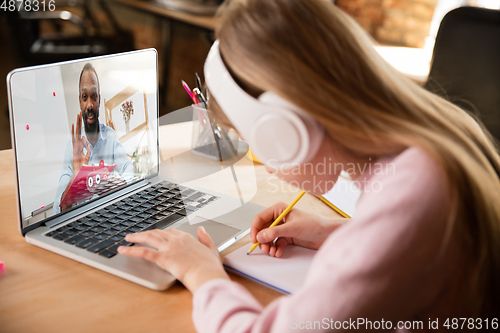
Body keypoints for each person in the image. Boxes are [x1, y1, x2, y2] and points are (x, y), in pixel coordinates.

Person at [118, 0, 500, 329]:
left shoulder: (413, 197)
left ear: (288, 126)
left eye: (256, 143)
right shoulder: (432, 148)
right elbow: (411, 253)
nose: (266, 166)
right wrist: (336, 234)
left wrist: (200, 271)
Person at [53, 63, 133, 214]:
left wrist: (120, 183)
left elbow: (129, 167)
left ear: (99, 100)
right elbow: (57, 211)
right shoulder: (71, 148)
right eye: (85, 97)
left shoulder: (110, 135)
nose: (89, 105)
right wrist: (75, 178)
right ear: (80, 101)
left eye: (94, 96)